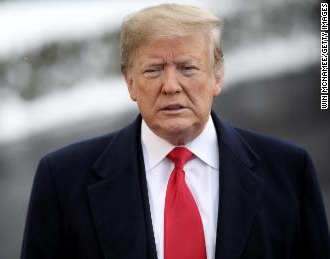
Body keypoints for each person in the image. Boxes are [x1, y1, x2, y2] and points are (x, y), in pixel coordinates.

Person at [20, 3, 330, 259]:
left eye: (188, 67)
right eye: (153, 70)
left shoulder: (290, 171)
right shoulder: (61, 180)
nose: (170, 87)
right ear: (129, 82)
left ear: (217, 77)